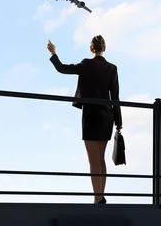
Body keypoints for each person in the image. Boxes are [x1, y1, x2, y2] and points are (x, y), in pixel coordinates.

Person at [46, 35, 123, 204]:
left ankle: (97, 199)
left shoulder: (86, 64)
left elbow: (62, 68)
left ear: (91, 49)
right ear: (105, 48)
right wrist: (118, 122)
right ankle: (101, 196)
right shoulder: (112, 68)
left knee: (93, 160)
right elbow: (115, 97)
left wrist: (53, 53)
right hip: (107, 116)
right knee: (101, 159)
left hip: (90, 115)